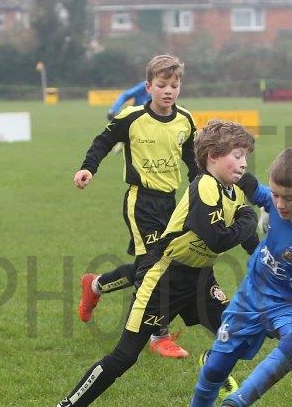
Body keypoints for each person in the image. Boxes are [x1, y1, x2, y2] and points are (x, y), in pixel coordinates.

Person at [45, 119, 259, 407]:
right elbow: (217, 239)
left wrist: (268, 260)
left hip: (201, 278)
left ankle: (210, 362)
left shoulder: (234, 189)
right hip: (165, 279)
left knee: (234, 334)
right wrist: (249, 218)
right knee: (125, 355)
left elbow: (249, 240)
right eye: (236, 156)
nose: (243, 164)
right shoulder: (204, 185)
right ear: (212, 156)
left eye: (245, 157)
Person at [161, 147, 292, 407]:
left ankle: (233, 406)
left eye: (288, 198)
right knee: (216, 366)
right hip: (253, 295)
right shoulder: (277, 202)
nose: (279, 204)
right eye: (276, 195)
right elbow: (257, 192)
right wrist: (235, 169)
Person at [74, 55, 199, 359]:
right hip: (141, 201)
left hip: (171, 203)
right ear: (148, 87)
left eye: (174, 85)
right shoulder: (131, 118)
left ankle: (96, 285)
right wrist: (89, 167)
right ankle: (159, 335)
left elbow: (192, 159)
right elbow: (102, 142)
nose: (168, 91)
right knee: (154, 267)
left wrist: (201, 190)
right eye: (162, 85)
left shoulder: (185, 119)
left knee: (155, 264)